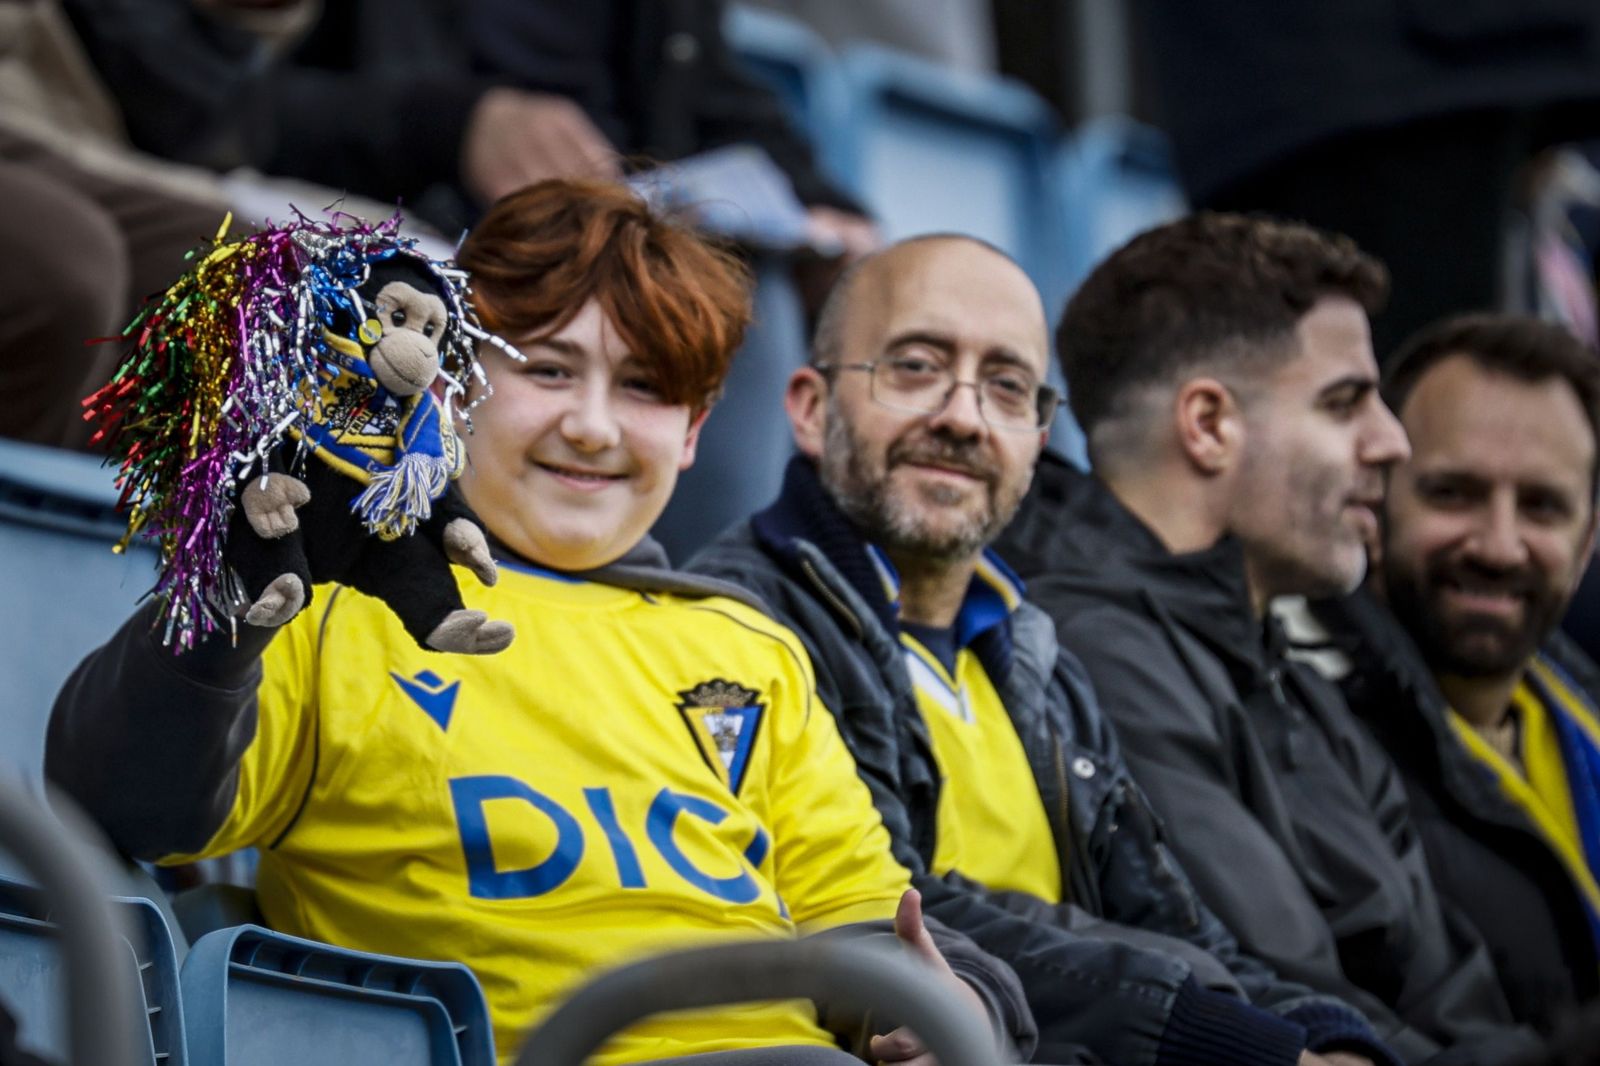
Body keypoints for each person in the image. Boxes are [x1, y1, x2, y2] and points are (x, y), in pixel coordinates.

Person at [44, 180, 1034, 1065]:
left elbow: (860, 921)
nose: (593, 426)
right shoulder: (329, 602)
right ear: (448, 389)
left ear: (693, 434)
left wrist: (937, 1005)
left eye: (644, 387)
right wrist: (219, 620)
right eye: (549, 370)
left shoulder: (749, 648)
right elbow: (121, 805)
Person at [690, 233, 1395, 1066]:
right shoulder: (740, 628)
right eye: (915, 366)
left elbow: (1170, 918)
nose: (961, 417)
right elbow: (894, 909)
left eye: (1007, 386)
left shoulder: (1037, 650)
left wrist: (1323, 1037)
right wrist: (1228, 1046)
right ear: (810, 408)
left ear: (1038, 433)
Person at [993, 213, 1544, 1064]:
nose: (1391, 442)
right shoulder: (1093, 656)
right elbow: (1295, 998)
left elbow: (1459, 995)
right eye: (1344, 403)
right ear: (1208, 424)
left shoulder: (1276, 657)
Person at [1308, 314, 1600, 1035]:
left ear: (1589, 537)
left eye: (1541, 506)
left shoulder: (1579, 712)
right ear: (1373, 500)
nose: (1500, 546)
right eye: (1453, 494)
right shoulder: (1298, 735)